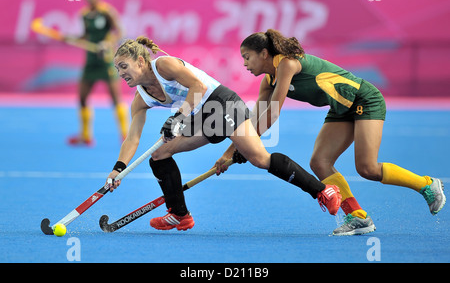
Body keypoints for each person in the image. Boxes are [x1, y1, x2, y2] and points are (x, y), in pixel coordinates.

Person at [215, 29, 446, 236]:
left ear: (264, 53)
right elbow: (252, 122)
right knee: (320, 162)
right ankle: (357, 216)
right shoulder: (267, 82)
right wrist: (230, 152)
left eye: (247, 57)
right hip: (340, 108)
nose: (244, 64)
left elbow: (272, 116)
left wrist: (245, 148)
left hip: (364, 98)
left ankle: (426, 184)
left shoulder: (286, 64)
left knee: (367, 168)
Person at [105, 36, 342, 231]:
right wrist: (119, 168)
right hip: (200, 115)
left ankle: (323, 191)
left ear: (140, 61)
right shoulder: (140, 99)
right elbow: (132, 137)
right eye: (117, 69)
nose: (121, 73)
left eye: (123, 66)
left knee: (259, 158)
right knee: (159, 155)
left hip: (222, 103)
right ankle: (180, 214)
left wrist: (178, 119)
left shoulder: (163, 65)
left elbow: (198, 86)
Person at [68, 0, 129, 146]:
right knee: (82, 97)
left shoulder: (107, 12)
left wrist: (108, 44)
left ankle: (125, 135)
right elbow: (86, 35)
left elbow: (120, 32)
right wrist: (72, 39)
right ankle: (86, 135)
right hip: (91, 61)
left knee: (116, 99)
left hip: (106, 60)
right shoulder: (85, 15)